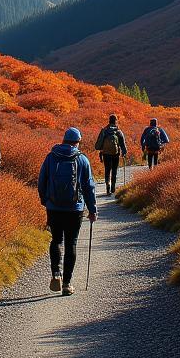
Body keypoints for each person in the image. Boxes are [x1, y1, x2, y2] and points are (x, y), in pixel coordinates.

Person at [37, 127, 97, 296]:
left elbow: (42, 181)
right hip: (74, 209)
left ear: (63, 140)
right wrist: (92, 210)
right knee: (71, 243)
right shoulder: (82, 159)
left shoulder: (51, 157)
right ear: (77, 142)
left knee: (56, 240)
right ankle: (67, 284)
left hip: (54, 207)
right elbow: (89, 187)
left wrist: (46, 201)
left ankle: (56, 273)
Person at [95, 114, 127, 195]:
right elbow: (122, 143)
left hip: (106, 153)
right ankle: (113, 186)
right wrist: (124, 152)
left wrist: (101, 149)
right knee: (114, 170)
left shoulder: (104, 130)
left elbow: (100, 142)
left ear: (109, 120)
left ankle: (107, 185)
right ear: (116, 120)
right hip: (116, 153)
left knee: (107, 170)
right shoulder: (118, 131)